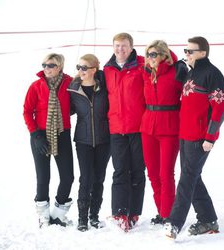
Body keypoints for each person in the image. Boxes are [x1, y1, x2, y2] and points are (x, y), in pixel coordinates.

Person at [164, 36, 224, 239]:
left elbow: (220, 107)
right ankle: (208, 219)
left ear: (203, 52)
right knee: (193, 176)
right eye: (185, 51)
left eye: (190, 51)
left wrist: (210, 136)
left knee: (187, 179)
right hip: (185, 135)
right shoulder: (191, 73)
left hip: (201, 138)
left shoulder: (212, 74)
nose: (186, 54)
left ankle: (174, 224)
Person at [23, 53, 74, 228]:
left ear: (60, 66)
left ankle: (58, 215)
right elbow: (27, 111)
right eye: (44, 65)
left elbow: (78, 102)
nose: (46, 68)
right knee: (43, 177)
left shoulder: (69, 83)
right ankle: (43, 216)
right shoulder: (36, 86)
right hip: (40, 136)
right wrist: (35, 134)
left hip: (62, 133)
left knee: (68, 176)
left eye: (51, 65)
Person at [103, 32, 146, 232]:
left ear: (131, 47)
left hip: (139, 128)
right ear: (113, 47)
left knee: (137, 171)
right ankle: (120, 213)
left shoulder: (142, 65)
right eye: (117, 45)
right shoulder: (107, 69)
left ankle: (134, 212)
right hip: (116, 129)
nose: (121, 49)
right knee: (120, 171)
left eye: (125, 45)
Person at [140, 40, 182, 225]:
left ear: (164, 55)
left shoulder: (177, 72)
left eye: (154, 54)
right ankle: (162, 212)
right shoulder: (145, 72)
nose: (150, 58)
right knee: (153, 173)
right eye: (148, 55)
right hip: (148, 126)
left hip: (170, 127)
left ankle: (169, 214)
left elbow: (188, 99)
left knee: (166, 173)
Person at [67, 54, 111, 232]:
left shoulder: (104, 87)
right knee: (86, 178)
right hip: (83, 140)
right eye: (78, 67)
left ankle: (94, 216)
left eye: (84, 67)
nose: (80, 71)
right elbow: (66, 110)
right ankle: (82, 218)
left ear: (94, 69)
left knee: (99, 178)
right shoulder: (73, 89)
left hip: (104, 139)